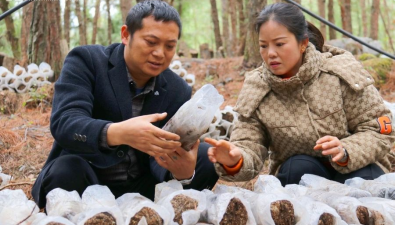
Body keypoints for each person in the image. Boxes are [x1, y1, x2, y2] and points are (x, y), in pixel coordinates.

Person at [32, 0, 218, 209]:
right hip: (87, 180)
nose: (160, 53)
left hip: (145, 188)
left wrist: (182, 173)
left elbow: (168, 152)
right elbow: (65, 122)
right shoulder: (87, 61)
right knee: (65, 170)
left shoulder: (178, 89)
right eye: (151, 42)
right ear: (126, 35)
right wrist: (117, 133)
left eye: (169, 46)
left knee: (205, 157)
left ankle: (154, 213)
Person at [205, 2, 395, 186]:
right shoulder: (257, 89)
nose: (270, 53)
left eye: (279, 44)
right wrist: (235, 160)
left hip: (358, 167)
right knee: (295, 168)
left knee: (366, 179)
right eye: (263, 46)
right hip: (302, 175)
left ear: (303, 43)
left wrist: (346, 151)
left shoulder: (340, 73)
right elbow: (249, 145)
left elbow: (378, 130)